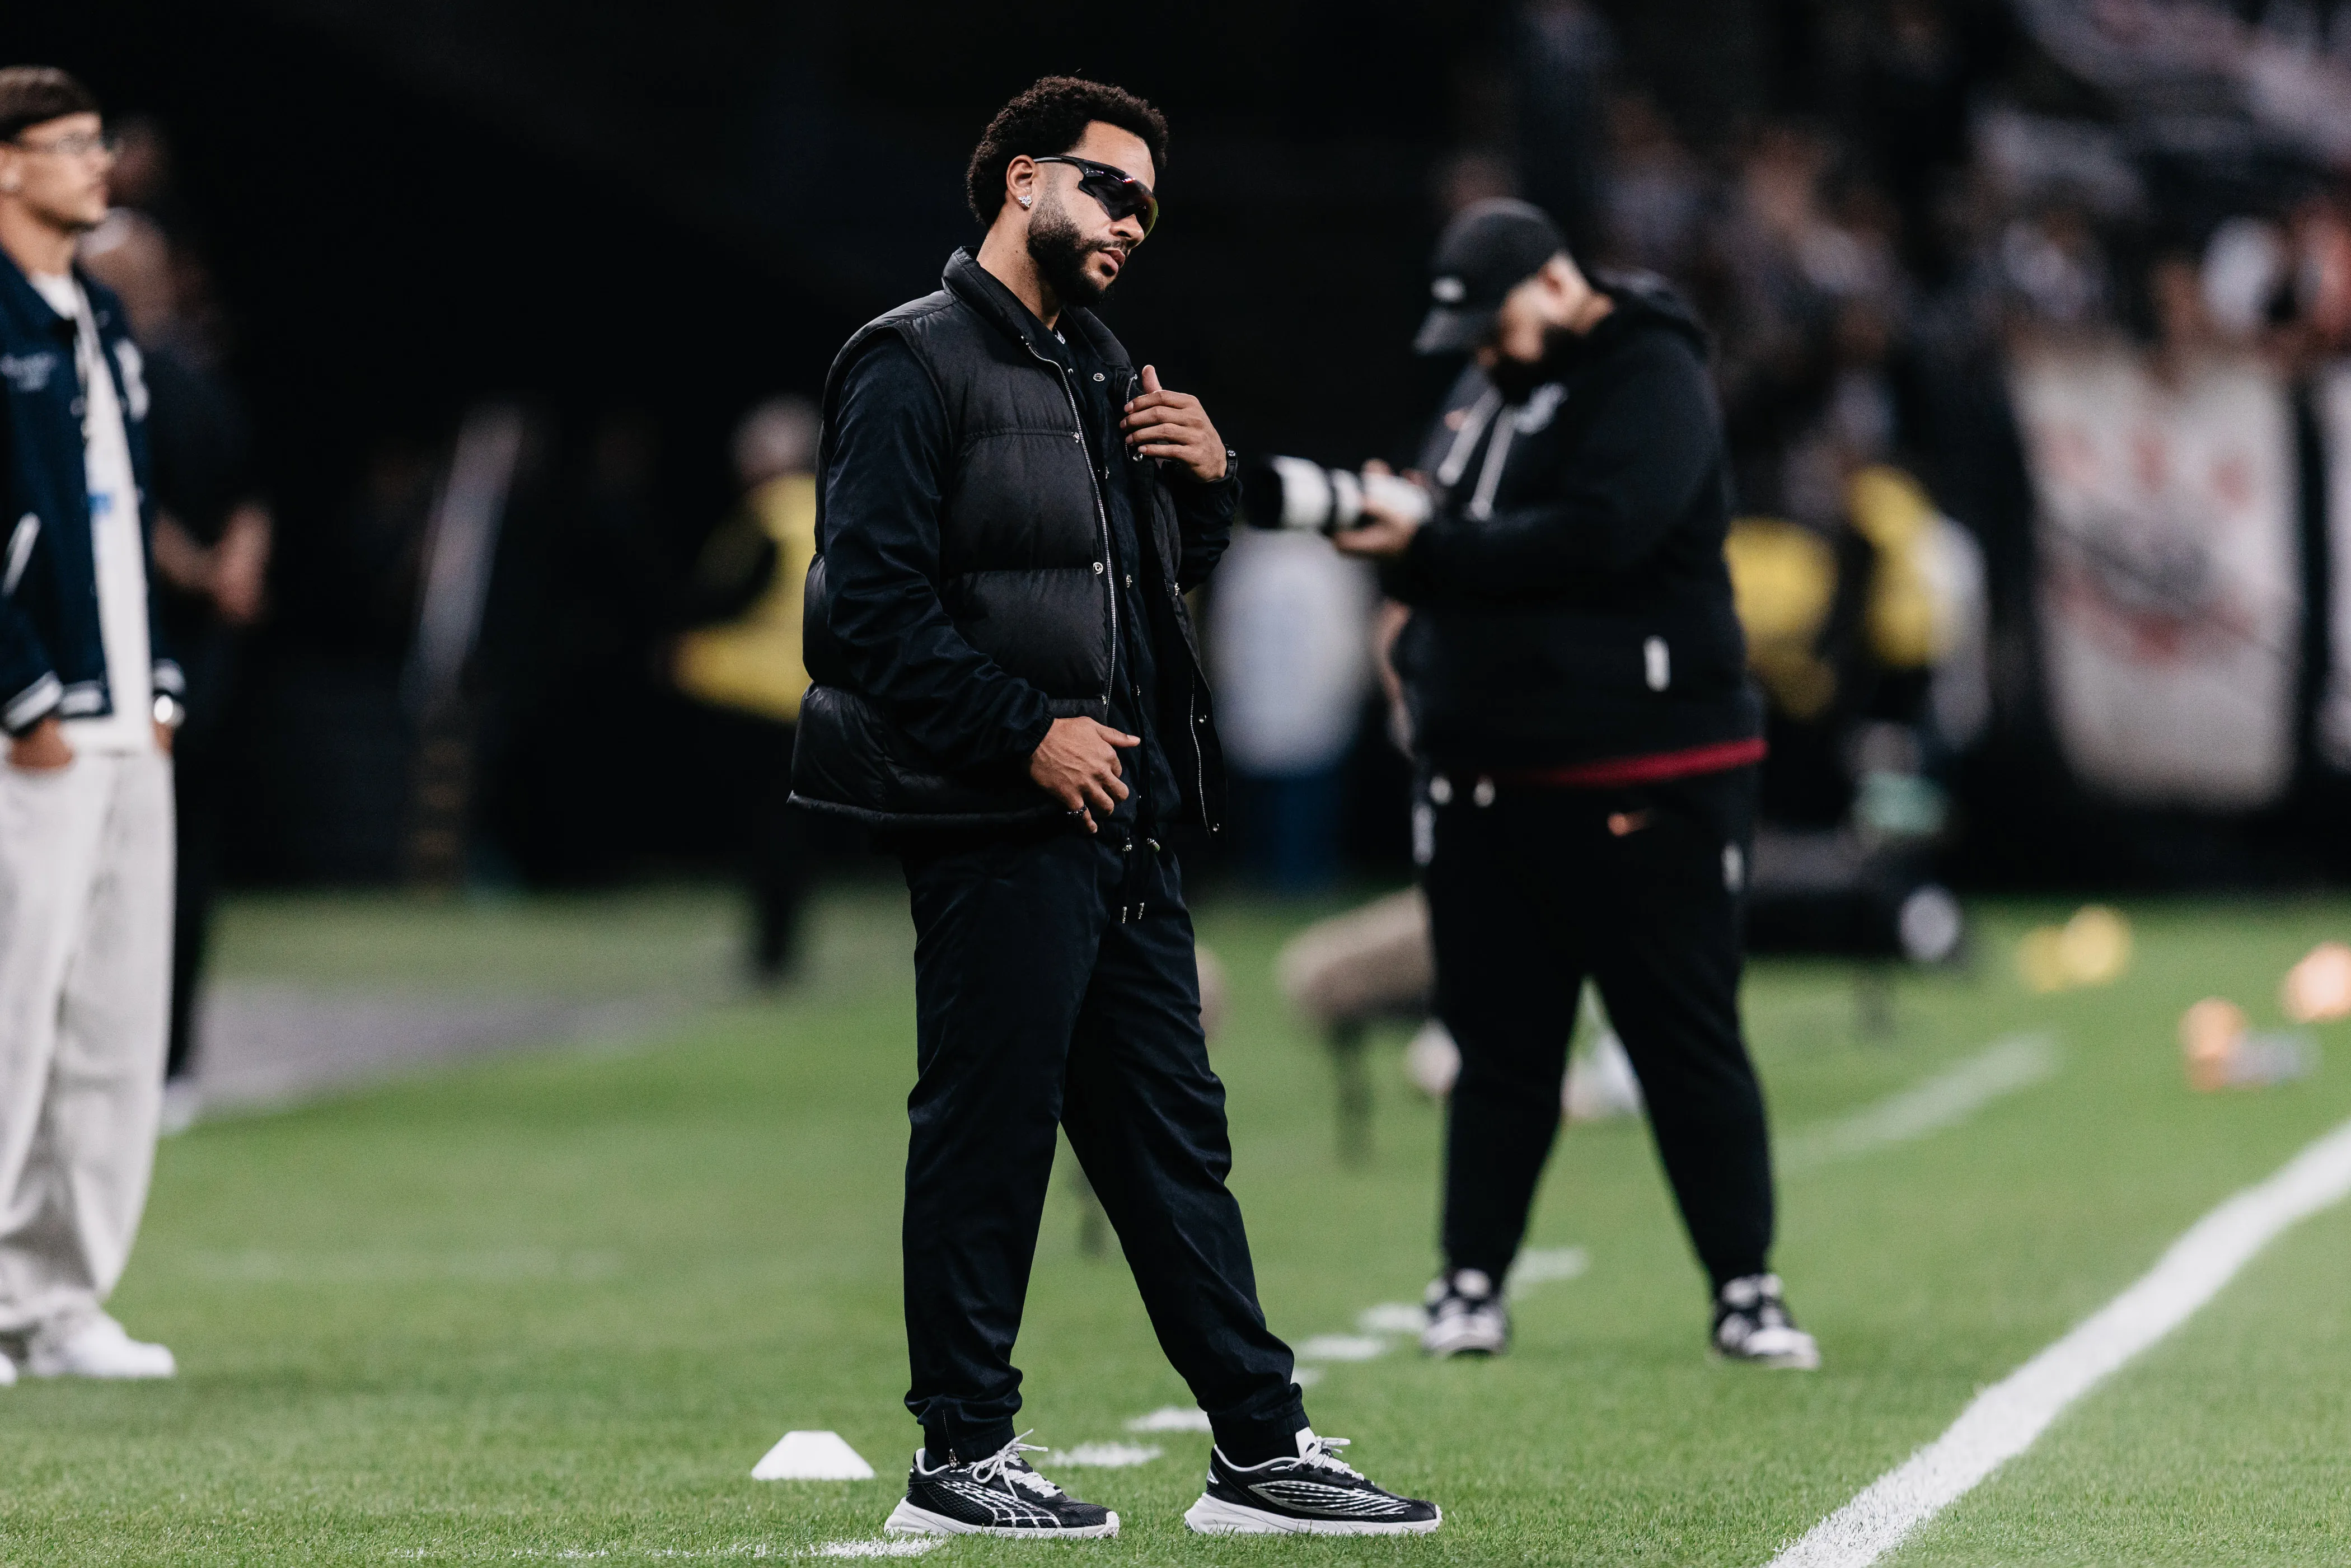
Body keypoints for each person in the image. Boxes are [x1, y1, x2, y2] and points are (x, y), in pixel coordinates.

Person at [790, 76, 1440, 1539]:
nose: (1133, 221)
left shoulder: (1098, 363)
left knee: (1170, 1145)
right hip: (997, 816)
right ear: (1022, 179)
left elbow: (1139, 601)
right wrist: (1028, 738)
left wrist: (1201, 489)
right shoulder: (909, 361)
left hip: (1119, 824)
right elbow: (865, 617)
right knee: (991, 1126)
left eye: (1150, 203)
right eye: (1109, 187)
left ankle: (1259, 1451)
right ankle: (960, 1456)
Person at [1334, 198, 1819, 1369]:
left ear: (1555, 285)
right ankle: (1468, 1278)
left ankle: (1745, 1285)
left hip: (1647, 769)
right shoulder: (1484, 393)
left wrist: (1427, 552)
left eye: (1495, 325)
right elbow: (1445, 522)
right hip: (1488, 772)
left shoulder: (1651, 378)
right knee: (1499, 1042)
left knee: (1682, 1032)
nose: (1486, 355)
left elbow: (1597, 535)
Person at [0, 65, 182, 1382]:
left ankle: (58, 1301)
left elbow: (130, 514)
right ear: (7, 165)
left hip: (126, 723)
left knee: (114, 1027)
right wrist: (22, 692)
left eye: (96, 142)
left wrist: (159, 681)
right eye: (69, 146)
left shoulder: (103, 316)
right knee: (11, 1019)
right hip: (36, 728)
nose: (96, 164)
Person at [673, 397, 819, 984]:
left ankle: (771, 951)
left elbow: (725, 600)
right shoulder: (826, 507)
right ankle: (780, 947)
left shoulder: (765, 516)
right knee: (791, 829)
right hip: (810, 695)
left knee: (768, 832)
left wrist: (684, 648)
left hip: (757, 698)